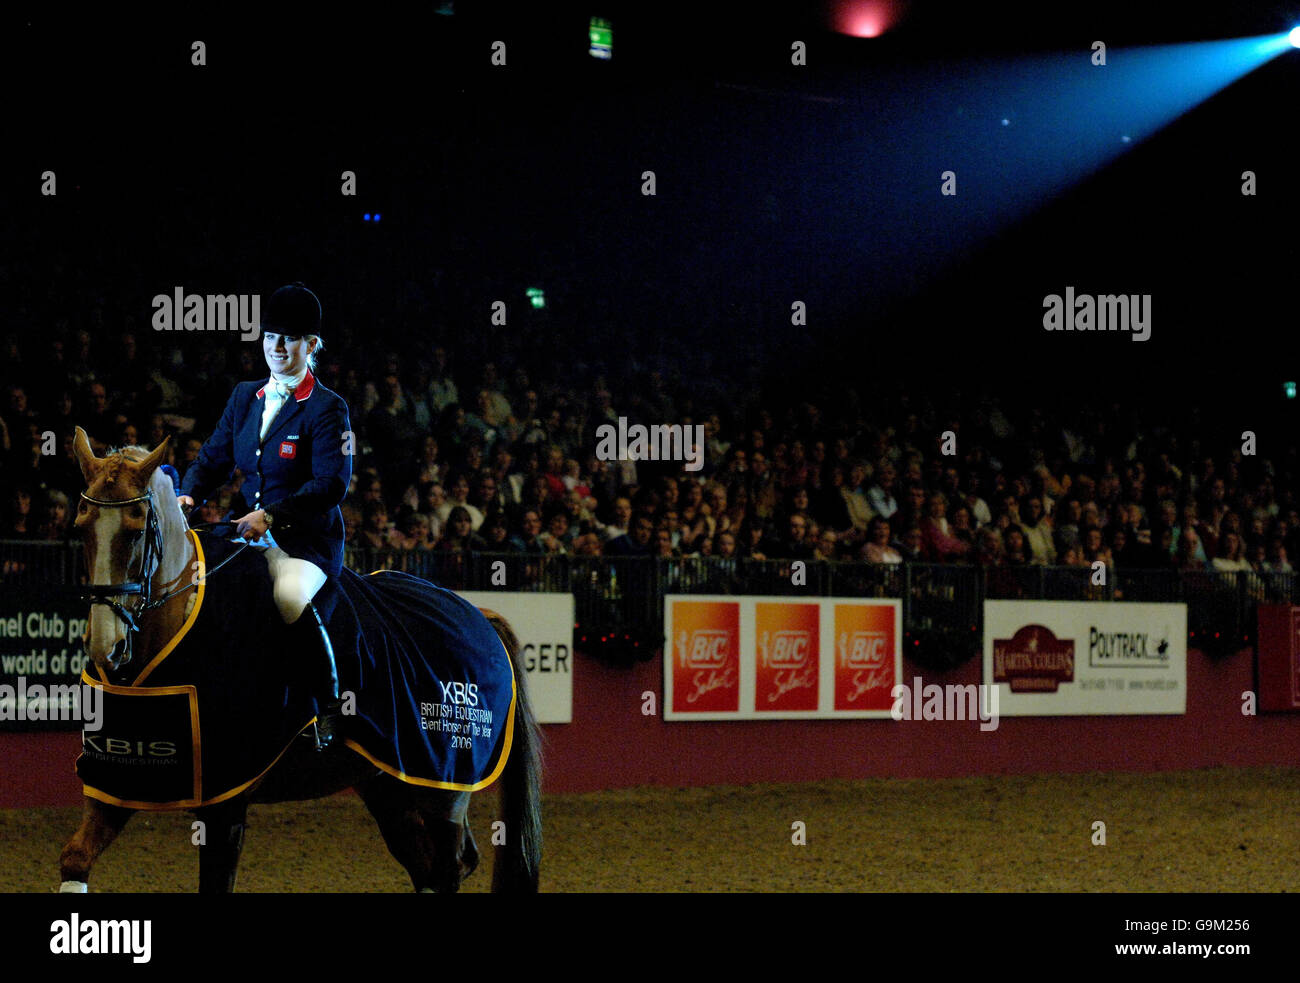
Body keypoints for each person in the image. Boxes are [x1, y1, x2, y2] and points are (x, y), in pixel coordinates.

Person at [178, 283, 351, 750]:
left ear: (310, 345)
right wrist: (188, 496)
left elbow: (332, 483)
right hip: (246, 533)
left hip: (305, 542)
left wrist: (271, 516)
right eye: (270, 336)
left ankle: (328, 706)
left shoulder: (328, 409)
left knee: (290, 596)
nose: (276, 347)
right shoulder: (244, 397)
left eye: (289, 339)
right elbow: (213, 456)